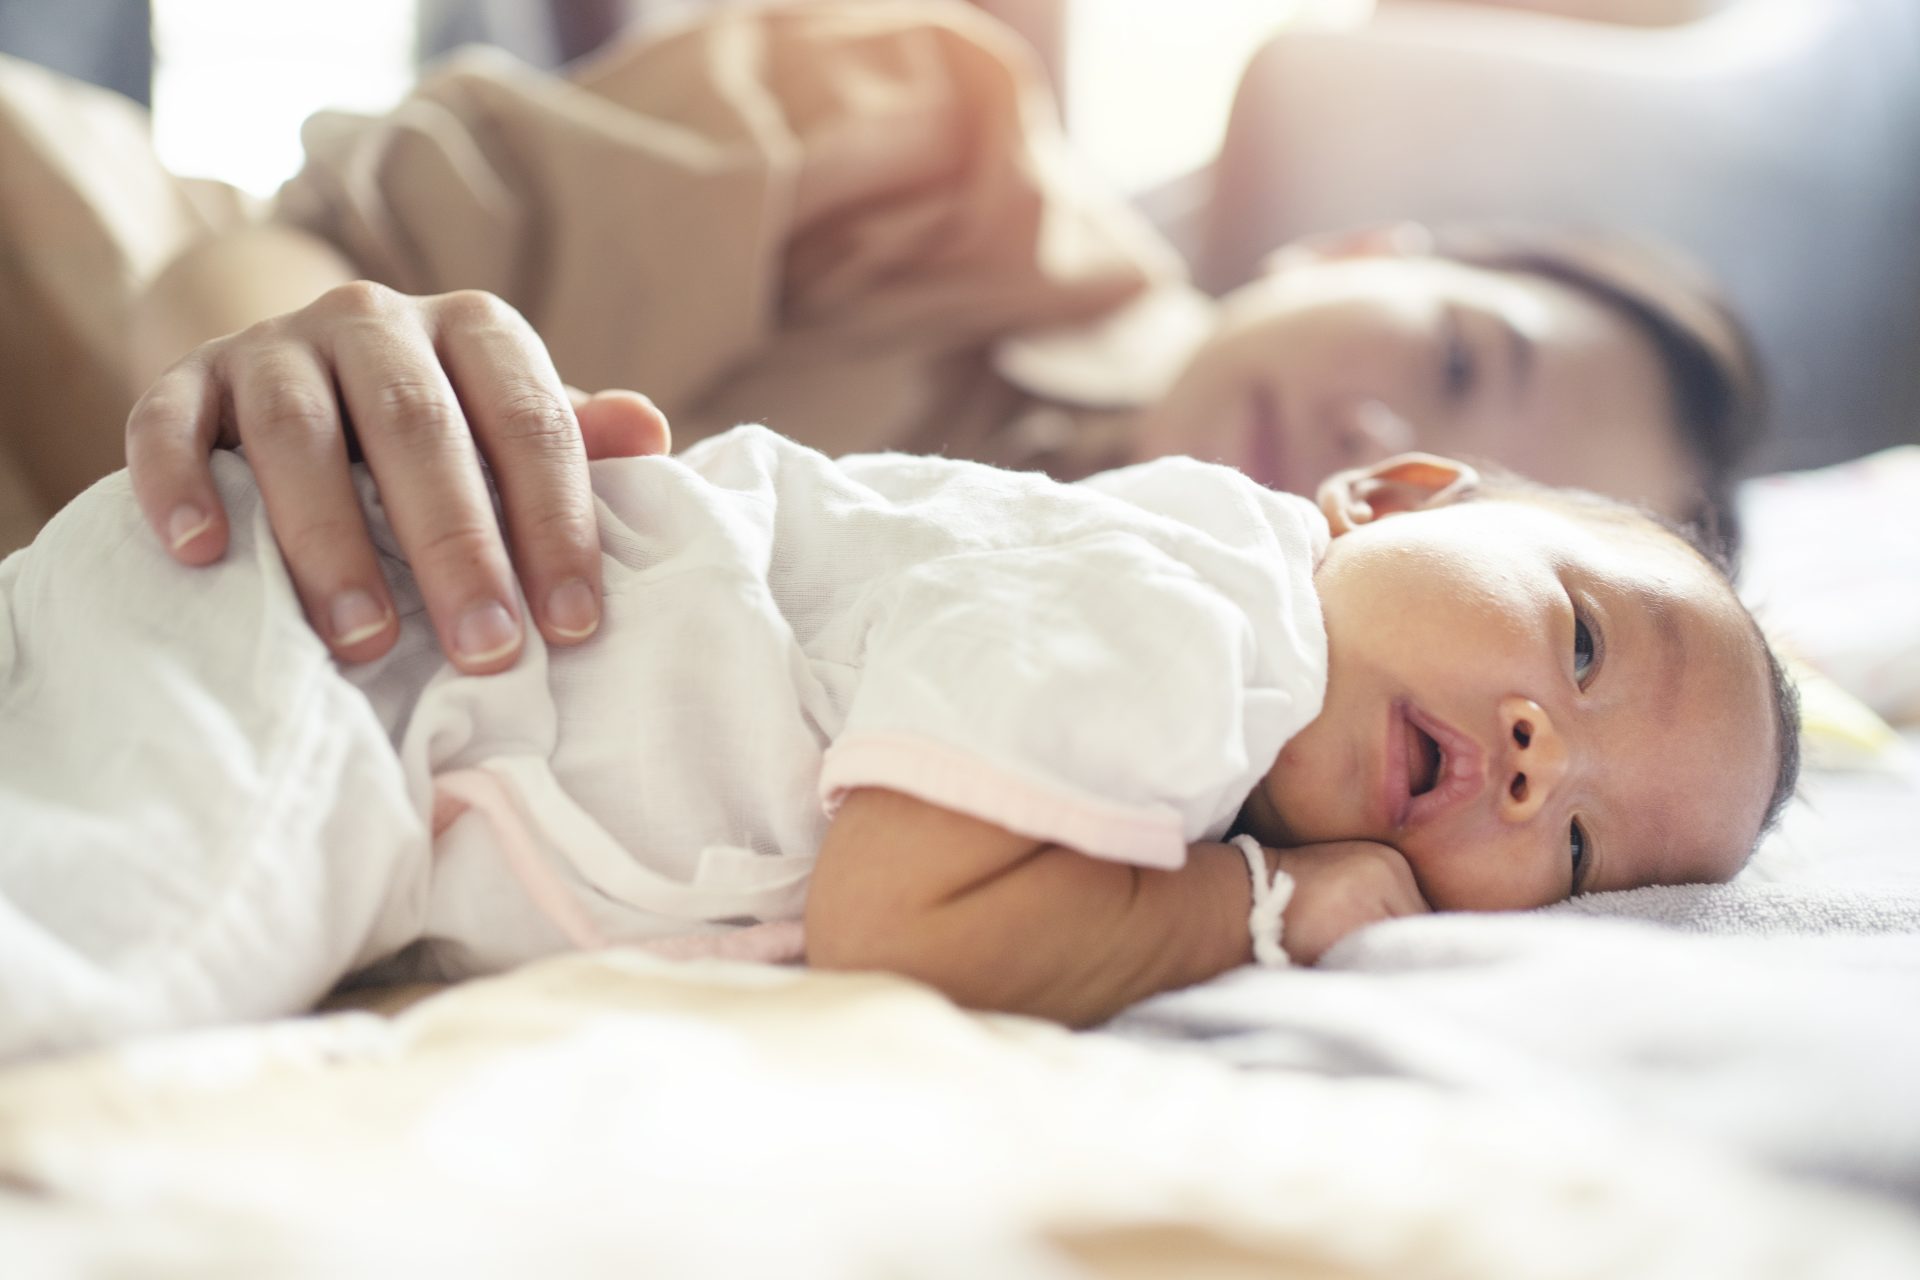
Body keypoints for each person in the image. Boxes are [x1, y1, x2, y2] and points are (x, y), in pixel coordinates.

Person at [0, 409, 1799, 1059]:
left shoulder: (1210, 679)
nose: (1534, 755)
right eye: (1573, 642)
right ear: (1387, 495)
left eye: (1575, 849)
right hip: (335, 651)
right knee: (107, 966)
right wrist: (1269, 908)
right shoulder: (1205, 605)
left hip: (338, 680)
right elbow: (902, 930)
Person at [92, 0, 1762, 681]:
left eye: (1447, 489)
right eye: (1461, 357)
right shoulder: (926, 132)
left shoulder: (1152, 727)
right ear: (1357, 248)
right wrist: (295, 357)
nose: (1373, 422)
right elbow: (298, 231)